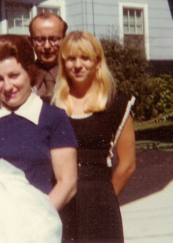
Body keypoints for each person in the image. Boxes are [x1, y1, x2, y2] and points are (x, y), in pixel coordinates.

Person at [0, 34, 78, 212]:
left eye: (14, 75)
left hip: (35, 226)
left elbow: (67, 183)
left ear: (30, 72)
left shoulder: (53, 117)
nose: (7, 87)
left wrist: (37, 220)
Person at [52, 31, 136, 243]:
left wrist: (105, 200)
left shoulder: (116, 104)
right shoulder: (51, 106)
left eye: (85, 58)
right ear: (64, 63)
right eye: (71, 58)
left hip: (100, 202)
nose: (78, 65)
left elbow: (127, 164)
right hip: (61, 200)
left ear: (97, 62)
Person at [29, 12, 67, 97]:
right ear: (30, 41)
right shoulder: (24, 77)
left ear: (65, 39)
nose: (47, 46)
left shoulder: (75, 75)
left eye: (54, 39)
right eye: (40, 39)